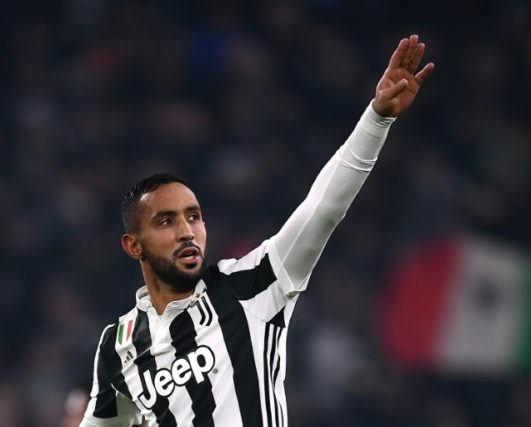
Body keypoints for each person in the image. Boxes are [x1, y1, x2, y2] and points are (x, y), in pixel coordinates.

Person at [80, 34, 434, 427]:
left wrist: (377, 119)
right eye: (166, 221)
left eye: (194, 216)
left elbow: (322, 209)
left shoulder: (249, 285)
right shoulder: (119, 346)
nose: (187, 231)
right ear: (134, 246)